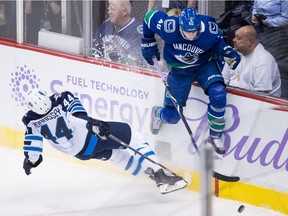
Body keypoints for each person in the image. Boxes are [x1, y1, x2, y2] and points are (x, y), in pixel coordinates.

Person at [22, 89, 187, 194]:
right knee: (134, 137)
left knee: (117, 156)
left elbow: (34, 152)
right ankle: (159, 174)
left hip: (82, 153)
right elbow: (75, 117)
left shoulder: (30, 121)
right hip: (91, 138)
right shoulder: (61, 98)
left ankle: (149, 173)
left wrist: (31, 161)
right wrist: (91, 124)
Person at [141, 8, 241, 155]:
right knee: (171, 117)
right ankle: (157, 113)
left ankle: (215, 136)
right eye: (187, 32)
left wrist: (226, 51)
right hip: (179, 72)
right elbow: (148, 17)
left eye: (194, 32)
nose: (191, 36)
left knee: (219, 94)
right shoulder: (168, 26)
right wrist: (148, 41)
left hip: (205, 66)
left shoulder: (208, 28)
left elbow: (218, 42)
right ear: (180, 26)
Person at [222, 25, 281, 97]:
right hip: (234, 100)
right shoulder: (233, 54)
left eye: (238, 38)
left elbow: (260, 96)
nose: (233, 40)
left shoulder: (263, 61)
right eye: (234, 37)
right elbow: (224, 80)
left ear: (249, 42)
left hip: (257, 103)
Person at [92, 0, 148, 68]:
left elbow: (139, 62)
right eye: (109, 9)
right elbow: (95, 47)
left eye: (112, 9)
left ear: (124, 12)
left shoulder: (138, 32)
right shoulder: (106, 25)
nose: (109, 12)